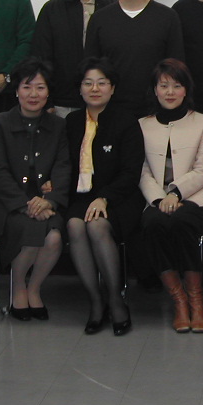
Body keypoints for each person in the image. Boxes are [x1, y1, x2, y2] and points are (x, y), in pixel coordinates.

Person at [0, 58, 70, 321]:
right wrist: (25, 205)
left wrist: (50, 200)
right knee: (31, 232)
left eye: (40, 88)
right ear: (17, 90)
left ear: (48, 92)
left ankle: (34, 287)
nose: (33, 94)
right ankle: (18, 286)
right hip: (7, 202)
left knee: (54, 237)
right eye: (27, 87)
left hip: (44, 201)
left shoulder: (58, 125)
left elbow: (63, 166)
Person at [65, 57, 144, 336]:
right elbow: (65, 166)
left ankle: (116, 300)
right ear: (80, 89)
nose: (94, 89)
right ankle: (95, 301)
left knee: (97, 225)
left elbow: (131, 171)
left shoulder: (126, 121)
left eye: (101, 83)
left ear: (112, 88)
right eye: (88, 83)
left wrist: (105, 198)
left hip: (121, 198)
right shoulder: (72, 122)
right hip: (82, 196)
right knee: (75, 225)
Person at [139, 59, 203, 333]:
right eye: (164, 85)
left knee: (182, 223)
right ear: (155, 90)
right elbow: (143, 171)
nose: (170, 92)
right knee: (153, 224)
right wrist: (160, 199)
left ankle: (196, 300)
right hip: (157, 198)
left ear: (186, 89)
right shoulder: (143, 124)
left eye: (177, 85)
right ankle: (179, 299)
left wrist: (176, 193)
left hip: (194, 196)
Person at [85, 0, 185, 117]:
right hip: (110, 112)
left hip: (156, 112)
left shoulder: (167, 17)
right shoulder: (100, 19)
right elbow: (91, 68)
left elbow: (176, 69)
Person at [32, 0, 117, 117]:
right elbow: (41, 57)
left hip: (106, 102)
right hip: (63, 102)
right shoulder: (51, 10)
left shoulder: (113, 7)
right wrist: (47, 100)